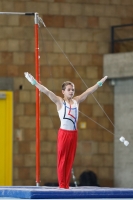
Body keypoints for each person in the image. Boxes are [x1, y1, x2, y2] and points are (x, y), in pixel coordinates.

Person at [24, 72, 107, 189]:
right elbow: (46, 91)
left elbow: (89, 91)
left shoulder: (76, 101)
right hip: (64, 133)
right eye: (69, 89)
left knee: (70, 160)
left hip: (74, 134)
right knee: (62, 159)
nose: (71, 91)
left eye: (72, 89)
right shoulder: (59, 101)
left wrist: (100, 83)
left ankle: (66, 185)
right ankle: (62, 185)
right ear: (63, 91)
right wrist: (34, 82)